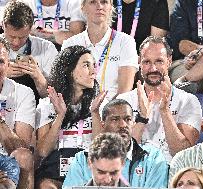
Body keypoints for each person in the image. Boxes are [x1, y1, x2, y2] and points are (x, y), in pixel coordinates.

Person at [116, 36, 202, 162]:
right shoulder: (123, 102)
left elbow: (183, 155)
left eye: (159, 61)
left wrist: (165, 111)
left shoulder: (189, 101)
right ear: (139, 62)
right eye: (147, 62)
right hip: (133, 173)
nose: (153, 69)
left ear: (169, 61)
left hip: (172, 173)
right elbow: (120, 154)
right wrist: (142, 119)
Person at [63, 98, 169, 188]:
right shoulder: (82, 159)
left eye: (127, 119)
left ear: (133, 123)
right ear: (103, 124)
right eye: (115, 119)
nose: (123, 125)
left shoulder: (152, 157)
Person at [35, 45, 99, 189]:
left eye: (94, 65)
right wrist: (60, 116)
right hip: (55, 171)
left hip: (88, 170)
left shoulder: (100, 104)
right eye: (86, 65)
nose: (93, 71)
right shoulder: (47, 105)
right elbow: (43, 151)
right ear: (69, 70)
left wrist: (95, 113)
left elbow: (102, 148)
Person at [62, 0, 139, 100]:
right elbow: (66, 86)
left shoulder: (125, 42)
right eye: (93, 2)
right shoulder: (70, 44)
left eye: (104, 2)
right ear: (83, 8)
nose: (99, 6)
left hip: (114, 110)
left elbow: (124, 92)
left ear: (111, 7)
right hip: (79, 109)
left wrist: (105, 111)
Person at [2, 1, 58, 104]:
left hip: (35, 110)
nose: (16, 42)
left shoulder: (46, 48)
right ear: (3, 26)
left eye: (22, 37)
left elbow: (54, 100)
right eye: (12, 36)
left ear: (31, 28)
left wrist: (38, 76)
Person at [0, 37, 35, 189]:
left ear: (8, 64)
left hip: (7, 159)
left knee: (24, 156)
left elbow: (21, 147)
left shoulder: (23, 93)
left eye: (0, 61)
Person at [21, 0, 86, 49]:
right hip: (34, 54)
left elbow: (76, 38)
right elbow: (20, 35)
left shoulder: (74, 3)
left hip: (65, 56)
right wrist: (57, 35)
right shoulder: (24, 3)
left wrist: (37, 31)